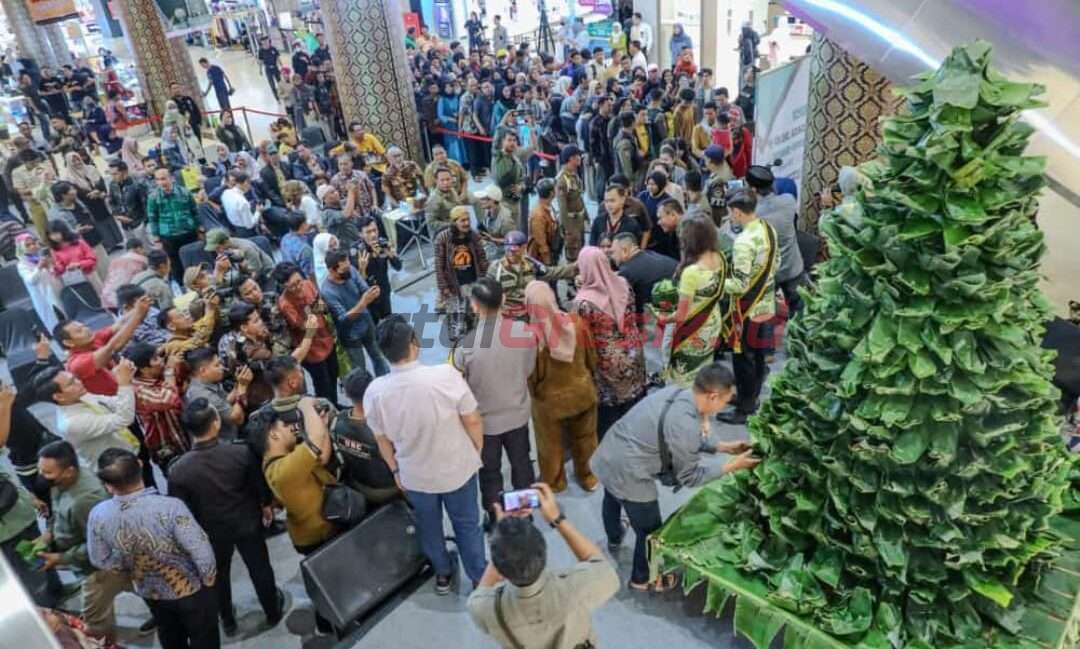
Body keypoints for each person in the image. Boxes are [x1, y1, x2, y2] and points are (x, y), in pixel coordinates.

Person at [592, 364, 759, 591]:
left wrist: (724, 447)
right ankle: (642, 579)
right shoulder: (686, 424)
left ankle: (614, 536)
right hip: (630, 472)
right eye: (725, 401)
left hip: (610, 452)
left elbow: (681, 436)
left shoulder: (679, 392)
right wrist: (732, 466)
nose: (724, 407)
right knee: (649, 529)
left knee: (612, 496)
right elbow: (690, 477)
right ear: (713, 396)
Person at [365, 316, 487, 594]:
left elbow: (382, 439)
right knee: (467, 525)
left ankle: (442, 574)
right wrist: (476, 450)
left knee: (429, 527)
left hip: (415, 475)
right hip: (457, 468)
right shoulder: (445, 376)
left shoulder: (375, 392)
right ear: (414, 343)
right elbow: (472, 419)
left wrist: (395, 470)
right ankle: (479, 577)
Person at [169, 399, 285, 636]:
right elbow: (259, 485)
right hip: (247, 522)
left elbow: (181, 512)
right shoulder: (240, 452)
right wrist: (266, 506)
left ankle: (228, 620)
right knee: (260, 567)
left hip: (211, 532)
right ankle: (272, 610)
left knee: (219, 576)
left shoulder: (178, 470)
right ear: (216, 423)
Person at [88, 448, 219, 649]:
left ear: (108, 485)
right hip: (190, 587)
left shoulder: (98, 515)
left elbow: (99, 559)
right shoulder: (170, 507)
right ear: (140, 466)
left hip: (149, 590)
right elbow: (200, 549)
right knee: (204, 636)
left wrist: (129, 565)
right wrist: (208, 578)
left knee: (169, 633)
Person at [468, 483, 619, 649]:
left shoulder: (488, 609)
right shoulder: (575, 588)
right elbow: (602, 566)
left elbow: (479, 594)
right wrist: (557, 519)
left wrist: (505, 542)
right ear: (545, 553)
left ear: (501, 570)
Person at [451, 279, 537, 525]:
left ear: (474, 306)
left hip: (484, 424)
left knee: (489, 473)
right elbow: (528, 369)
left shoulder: (464, 347)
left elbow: (461, 389)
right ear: (503, 300)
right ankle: (525, 515)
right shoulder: (525, 332)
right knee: (522, 464)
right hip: (518, 415)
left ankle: (496, 517)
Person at [251, 395, 338, 633]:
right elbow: (316, 443)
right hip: (316, 532)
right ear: (273, 435)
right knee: (327, 581)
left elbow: (321, 455)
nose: (291, 427)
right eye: (284, 425)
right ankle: (327, 623)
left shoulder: (282, 457)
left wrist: (319, 424)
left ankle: (328, 620)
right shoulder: (284, 470)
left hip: (316, 526)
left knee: (329, 577)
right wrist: (306, 406)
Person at [36, 440, 137, 639]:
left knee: (94, 622)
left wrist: (61, 558)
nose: (42, 476)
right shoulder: (61, 482)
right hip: (89, 563)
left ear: (69, 471)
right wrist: (48, 534)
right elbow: (58, 511)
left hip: (99, 569)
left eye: (47, 472)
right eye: (41, 470)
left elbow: (101, 544)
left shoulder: (85, 500)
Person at [524, 281, 599, 492]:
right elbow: (592, 358)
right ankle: (589, 477)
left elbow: (532, 377)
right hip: (583, 393)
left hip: (550, 404)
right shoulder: (577, 323)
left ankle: (555, 482)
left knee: (550, 445)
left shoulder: (532, 337)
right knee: (586, 439)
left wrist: (535, 395)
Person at [571, 247, 646, 440]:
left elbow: (582, 339)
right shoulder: (624, 284)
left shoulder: (583, 303)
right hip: (634, 353)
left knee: (610, 420)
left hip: (608, 366)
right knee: (633, 410)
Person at [721, 189, 779, 423]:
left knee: (743, 359)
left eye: (730, 213)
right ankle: (750, 396)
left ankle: (745, 408)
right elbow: (776, 263)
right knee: (758, 356)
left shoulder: (744, 242)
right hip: (766, 303)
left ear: (737, 212)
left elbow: (740, 285)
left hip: (747, 309)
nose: (730, 217)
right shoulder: (768, 228)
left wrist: (716, 281)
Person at [32, 359, 140, 477]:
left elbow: (114, 402)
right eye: (71, 383)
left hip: (129, 452)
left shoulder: (81, 396)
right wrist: (124, 384)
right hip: (117, 470)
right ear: (59, 396)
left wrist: (126, 378)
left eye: (75, 378)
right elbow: (124, 419)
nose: (79, 382)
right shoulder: (72, 423)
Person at [661, 218, 729, 387]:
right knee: (703, 367)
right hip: (712, 320)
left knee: (684, 373)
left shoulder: (692, 272)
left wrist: (663, 318)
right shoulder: (720, 258)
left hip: (692, 328)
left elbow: (681, 316)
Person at [274, 263, 340, 404]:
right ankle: (326, 409)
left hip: (326, 337)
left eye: (299, 281)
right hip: (311, 349)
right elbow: (302, 325)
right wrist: (314, 310)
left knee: (334, 374)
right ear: (284, 286)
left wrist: (319, 306)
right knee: (323, 384)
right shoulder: (285, 303)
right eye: (293, 286)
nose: (299, 287)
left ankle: (335, 404)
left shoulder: (308, 284)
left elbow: (321, 303)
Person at [334, 369, 400, 505]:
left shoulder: (338, 423)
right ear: (372, 390)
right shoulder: (383, 426)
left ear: (346, 394)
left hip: (359, 485)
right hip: (389, 488)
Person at [321, 248, 389, 378]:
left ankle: (385, 382)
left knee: (378, 356)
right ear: (332, 270)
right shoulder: (328, 291)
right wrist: (363, 302)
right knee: (359, 369)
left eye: (348, 265)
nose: (349, 271)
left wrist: (372, 293)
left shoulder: (351, 270)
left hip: (366, 323)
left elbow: (363, 288)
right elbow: (343, 319)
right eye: (344, 270)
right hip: (350, 334)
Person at [123, 343, 189, 474]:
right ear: (143, 369)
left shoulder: (158, 376)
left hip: (182, 435)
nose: (161, 360)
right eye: (155, 359)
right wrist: (169, 370)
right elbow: (170, 400)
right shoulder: (138, 390)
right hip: (168, 447)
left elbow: (180, 387)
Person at [746, 166, 804, 312]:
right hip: (793, 268)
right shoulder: (789, 201)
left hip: (770, 275)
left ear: (753, 189)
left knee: (766, 315)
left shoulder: (752, 216)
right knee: (800, 311)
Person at [487, 231, 577, 317]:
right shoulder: (496, 268)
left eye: (515, 251)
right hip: (506, 315)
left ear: (524, 248)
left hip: (529, 313)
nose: (511, 254)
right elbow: (487, 294)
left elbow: (551, 272)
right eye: (509, 250)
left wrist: (575, 267)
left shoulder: (531, 265)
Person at [434, 206, 489, 343]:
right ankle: (455, 340)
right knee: (454, 314)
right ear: (454, 222)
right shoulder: (443, 238)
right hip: (453, 284)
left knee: (472, 312)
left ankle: (472, 337)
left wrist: (484, 279)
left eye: (468, 219)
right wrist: (443, 287)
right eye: (462, 220)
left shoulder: (473, 236)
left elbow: (482, 258)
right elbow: (439, 265)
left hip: (472, 281)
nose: (466, 223)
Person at [147, 168, 200, 284]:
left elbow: (195, 211)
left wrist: (200, 228)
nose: (161, 182)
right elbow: (152, 218)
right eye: (158, 180)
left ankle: (198, 281)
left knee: (194, 259)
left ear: (171, 178)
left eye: (163, 178)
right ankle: (183, 286)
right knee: (175, 263)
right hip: (168, 236)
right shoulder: (153, 197)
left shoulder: (184, 192)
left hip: (188, 233)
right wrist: (156, 238)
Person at [184, 347, 250, 440]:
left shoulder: (206, 383)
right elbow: (237, 419)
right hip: (220, 445)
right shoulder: (202, 395)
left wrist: (238, 384)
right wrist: (242, 387)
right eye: (217, 365)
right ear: (203, 370)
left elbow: (224, 402)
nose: (222, 367)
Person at [612, 232, 678, 316]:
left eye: (613, 252)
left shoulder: (627, 271)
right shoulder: (651, 254)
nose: (612, 256)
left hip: (663, 315)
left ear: (625, 250)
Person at [15, 232, 64, 332]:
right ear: (21, 248)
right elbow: (31, 280)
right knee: (53, 321)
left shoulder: (41, 257)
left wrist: (50, 266)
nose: (32, 246)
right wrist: (39, 267)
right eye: (28, 245)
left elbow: (55, 274)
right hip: (42, 295)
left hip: (54, 290)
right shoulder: (22, 264)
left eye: (33, 243)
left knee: (64, 314)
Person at [357, 217, 401, 323]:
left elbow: (398, 267)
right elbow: (358, 284)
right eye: (368, 232)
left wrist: (391, 255)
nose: (373, 235)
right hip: (369, 297)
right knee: (375, 326)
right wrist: (362, 269)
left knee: (389, 321)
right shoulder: (358, 252)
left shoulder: (383, 244)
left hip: (384, 291)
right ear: (361, 234)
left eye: (375, 230)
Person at [555, 145, 587, 262]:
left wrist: (586, 216)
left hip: (579, 220)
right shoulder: (562, 180)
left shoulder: (574, 175)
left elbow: (578, 198)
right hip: (571, 223)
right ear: (571, 158)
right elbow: (562, 207)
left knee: (581, 251)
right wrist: (568, 229)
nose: (580, 158)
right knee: (573, 255)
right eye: (577, 155)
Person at [106, 159, 150, 242]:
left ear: (125, 172)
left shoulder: (137, 184)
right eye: (111, 174)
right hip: (125, 225)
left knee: (146, 247)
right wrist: (117, 215)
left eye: (115, 174)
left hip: (139, 224)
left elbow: (146, 205)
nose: (113, 177)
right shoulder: (113, 184)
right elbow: (112, 201)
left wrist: (142, 222)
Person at [100, 239, 148, 311]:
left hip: (106, 298)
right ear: (138, 248)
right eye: (143, 248)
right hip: (123, 300)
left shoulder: (115, 261)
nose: (144, 251)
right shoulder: (140, 260)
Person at [425, 165, 466, 233]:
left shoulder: (452, 190)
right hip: (444, 232)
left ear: (452, 179)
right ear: (436, 181)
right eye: (442, 180)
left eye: (448, 179)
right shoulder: (433, 199)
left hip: (457, 225)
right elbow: (431, 224)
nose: (446, 183)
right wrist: (453, 225)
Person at [649, 193, 682, 261]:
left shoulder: (689, 233)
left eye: (660, 218)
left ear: (673, 215)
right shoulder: (675, 232)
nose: (658, 223)